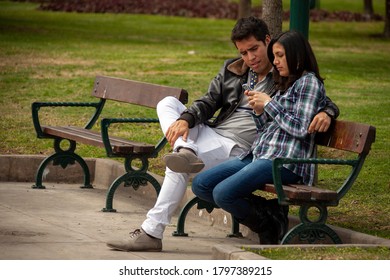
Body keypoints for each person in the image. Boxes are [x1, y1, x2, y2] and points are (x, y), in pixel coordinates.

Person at [106, 17, 339, 251]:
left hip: (240, 147)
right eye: (244, 52)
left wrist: (328, 111)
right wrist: (186, 119)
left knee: (178, 168)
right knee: (168, 103)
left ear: (267, 41)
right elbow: (209, 101)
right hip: (221, 136)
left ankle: (151, 231)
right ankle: (184, 149)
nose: (250, 58)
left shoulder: (285, 76)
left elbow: (317, 96)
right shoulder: (235, 70)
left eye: (255, 50)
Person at [191, 30, 329, 244]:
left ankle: (266, 225)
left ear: (298, 56)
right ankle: (270, 211)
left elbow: (302, 129)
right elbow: (269, 129)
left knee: (223, 193)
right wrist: (259, 113)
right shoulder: (286, 82)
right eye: (275, 56)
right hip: (260, 155)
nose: (276, 62)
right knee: (201, 184)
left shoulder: (308, 83)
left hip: (285, 162)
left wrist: (269, 104)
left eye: (281, 55)